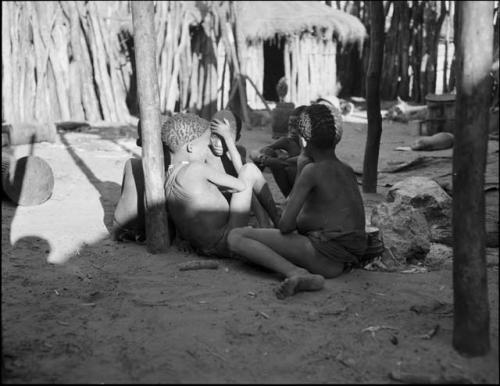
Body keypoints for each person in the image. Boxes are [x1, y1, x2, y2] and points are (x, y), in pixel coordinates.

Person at [227, 103, 367, 299]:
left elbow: (285, 225)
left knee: (236, 237)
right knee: (266, 238)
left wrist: (301, 167)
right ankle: (297, 268)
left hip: (323, 258)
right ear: (337, 137)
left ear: (303, 138)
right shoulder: (347, 170)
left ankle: (295, 272)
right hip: (347, 259)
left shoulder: (312, 171)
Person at [163, 113, 280, 257]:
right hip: (225, 237)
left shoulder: (170, 174)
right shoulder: (201, 161)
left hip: (208, 238)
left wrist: (229, 141)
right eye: (212, 138)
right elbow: (242, 185)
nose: (214, 144)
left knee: (245, 171)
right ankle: (267, 224)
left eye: (223, 138)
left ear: (236, 138)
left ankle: (270, 221)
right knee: (249, 170)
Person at [250, 105, 306, 197]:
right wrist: (264, 155)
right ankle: (251, 194)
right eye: (290, 126)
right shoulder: (287, 142)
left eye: (296, 127)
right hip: (290, 190)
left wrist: (267, 160)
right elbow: (254, 154)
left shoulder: (312, 144)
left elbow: (293, 162)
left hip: (307, 190)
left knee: (287, 166)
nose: (292, 130)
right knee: (270, 153)